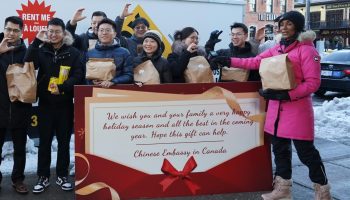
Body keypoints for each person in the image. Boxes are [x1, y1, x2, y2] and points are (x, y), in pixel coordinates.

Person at [211, 11, 332, 200]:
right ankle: (283, 190)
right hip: (276, 110)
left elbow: (313, 83)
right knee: (280, 151)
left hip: (297, 111)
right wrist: (229, 61)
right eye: (281, 24)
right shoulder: (276, 49)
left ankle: (322, 190)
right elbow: (255, 62)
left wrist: (287, 94)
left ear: (298, 27)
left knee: (306, 153)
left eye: (288, 24)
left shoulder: (307, 51)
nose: (283, 28)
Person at [25, 18, 83, 194]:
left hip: (65, 104)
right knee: (44, 143)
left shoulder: (73, 52)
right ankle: (43, 177)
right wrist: (36, 41)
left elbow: (78, 74)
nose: (53, 34)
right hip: (45, 105)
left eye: (57, 31)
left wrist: (63, 88)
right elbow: (28, 63)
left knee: (64, 142)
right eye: (50, 31)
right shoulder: (41, 50)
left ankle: (62, 175)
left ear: (64, 33)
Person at [0, 16, 31, 194]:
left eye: (15, 30)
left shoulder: (26, 51)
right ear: (4, 29)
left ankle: (18, 180)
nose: (11, 33)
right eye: (8, 29)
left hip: (20, 108)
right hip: (0, 106)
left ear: (21, 32)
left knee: (20, 148)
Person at [87, 18, 133, 88]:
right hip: (95, 93)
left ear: (114, 34)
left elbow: (129, 75)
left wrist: (114, 81)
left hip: (118, 92)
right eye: (101, 30)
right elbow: (84, 76)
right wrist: (91, 81)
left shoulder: (124, 52)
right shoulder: (90, 53)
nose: (104, 33)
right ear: (98, 33)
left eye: (108, 30)